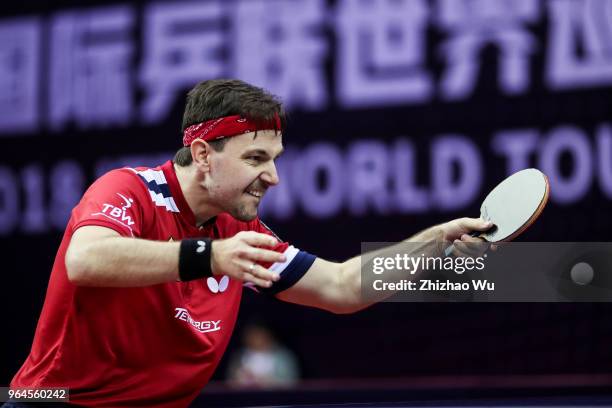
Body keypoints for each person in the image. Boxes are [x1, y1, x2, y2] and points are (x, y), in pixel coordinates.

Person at [7, 79, 491, 408]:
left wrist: (436, 244)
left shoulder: (241, 234)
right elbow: (86, 258)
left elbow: (343, 286)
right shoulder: (130, 190)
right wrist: (211, 257)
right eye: (256, 157)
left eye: (275, 158)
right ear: (203, 154)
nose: (273, 177)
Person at [226, 323, 300, 388]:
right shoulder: (239, 356)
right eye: (251, 335)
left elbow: (290, 382)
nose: (254, 339)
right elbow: (230, 381)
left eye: (258, 335)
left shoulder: (283, 356)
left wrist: (266, 381)